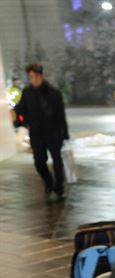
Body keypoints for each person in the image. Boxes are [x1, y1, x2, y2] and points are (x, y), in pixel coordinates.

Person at [14, 63, 69, 200]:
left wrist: (65, 133)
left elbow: (61, 114)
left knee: (57, 161)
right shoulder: (27, 93)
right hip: (37, 134)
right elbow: (20, 110)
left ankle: (59, 189)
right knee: (39, 162)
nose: (34, 80)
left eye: (36, 76)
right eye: (31, 77)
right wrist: (23, 121)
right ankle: (49, 182)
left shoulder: (53, 92)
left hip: (54, 132)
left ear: (41, 76)